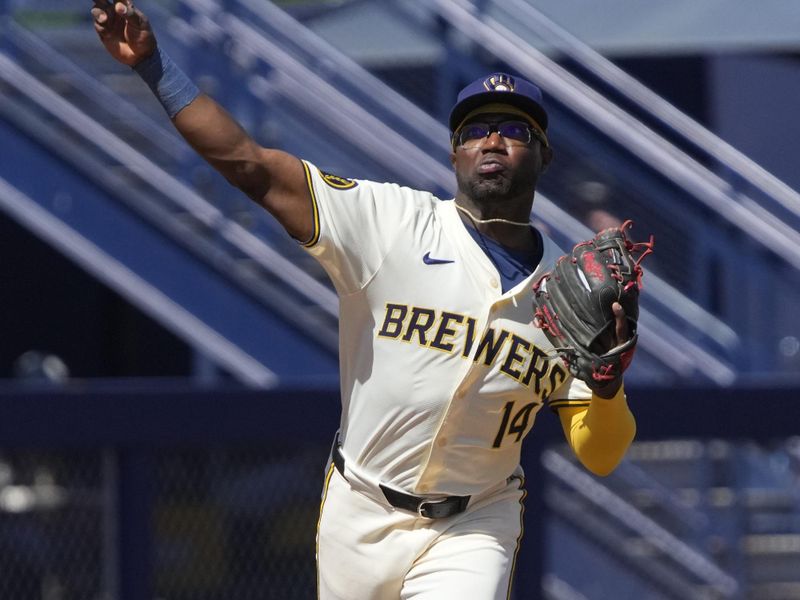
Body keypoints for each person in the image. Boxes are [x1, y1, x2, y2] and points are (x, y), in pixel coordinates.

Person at [90, 2, 637, 598]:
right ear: (454, 151)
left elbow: (602, 454)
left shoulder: (570, 289)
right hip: (361, 507)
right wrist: (155, 67)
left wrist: (606, 389)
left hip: (476, 521)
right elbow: (252, 166)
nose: (493, 140)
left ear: (543, 155)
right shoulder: (390, 223)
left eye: (514, 129)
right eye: (476, 129)